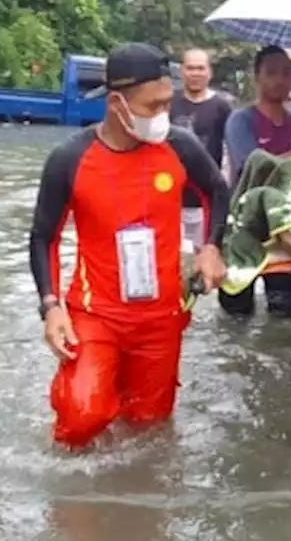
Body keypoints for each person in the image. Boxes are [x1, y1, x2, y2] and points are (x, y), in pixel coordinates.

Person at [29, 42, 230, 448]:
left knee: (148, 433)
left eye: (165, 105)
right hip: (96, 312)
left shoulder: (180, 146)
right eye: (151, 107)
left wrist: (211, 246)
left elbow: (216, 190)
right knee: (81, 420)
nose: (162, 117)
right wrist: (51, 307)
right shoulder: (71, 158)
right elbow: (43, 235)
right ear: (117, 103)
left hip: (161, 317)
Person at [222, 45, 291, 318]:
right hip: (244, 226)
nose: (279, 80)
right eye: (271, 73)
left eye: (286, 73)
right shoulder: (240, 120)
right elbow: (250, 167)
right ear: (257, 76)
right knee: (236, 314)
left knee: (285, 315)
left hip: (285, 227)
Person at [170, 49, 234, 253]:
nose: (195, 73)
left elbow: (230, 150)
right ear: (181, 71)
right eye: (190, 68)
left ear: (209, 72)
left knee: (202, 256)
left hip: (206, 197)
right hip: (171, 194)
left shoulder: (222, 106)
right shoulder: (169, 103)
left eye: (200, 68)